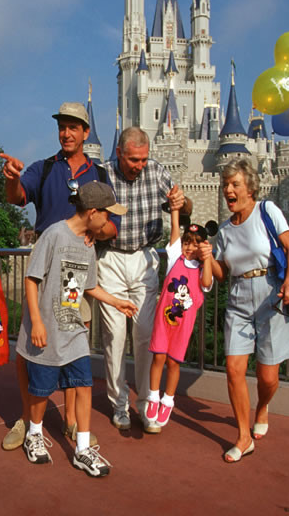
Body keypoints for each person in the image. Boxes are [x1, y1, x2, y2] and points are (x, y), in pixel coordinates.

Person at [0, 102, 119, 450]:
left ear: (85, 133)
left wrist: (98, 232)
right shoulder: (44, 169)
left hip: (77, 272)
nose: (66, 133)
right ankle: (27, 419)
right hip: (45, 262)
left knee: (73, 343)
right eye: (62, 127)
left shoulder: (99, 174)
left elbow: (113, 224)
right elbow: (18, 197)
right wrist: (12, 179)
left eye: (73, 127)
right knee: (29, 348)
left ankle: (69, 420)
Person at [16, 181, 136, 477]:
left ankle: (82, 449)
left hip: (73, 329)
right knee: (41, 391)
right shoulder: (54, 235)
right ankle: (34, 434)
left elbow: (89, 286)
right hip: (47, 331)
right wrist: (37, 321)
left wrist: (116, 301)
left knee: (83, 385)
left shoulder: (88, 244)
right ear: (93, 212)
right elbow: (32, 279)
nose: (109, 222)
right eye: (107, 215)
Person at [208, 158, 289, 463]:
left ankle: (262, 406)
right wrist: (208, 257)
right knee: (234, 370)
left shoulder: (267, 211)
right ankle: (243, 436)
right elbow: (223, 275)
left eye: (234, 184)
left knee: (268, 377)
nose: (228, 190)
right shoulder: (224, 230)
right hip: (237, 299)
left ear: (250, 188)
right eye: (225, 185)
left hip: (270, 296)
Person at [98, 126, 192, 434]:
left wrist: (181, 200)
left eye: (143, 159)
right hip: (110, 258)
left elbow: (184, 207)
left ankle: (145, 405)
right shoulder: (103, 173)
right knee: (114, 338)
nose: (139, 165)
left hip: (145, 258)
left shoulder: (156, 171)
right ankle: (118, 403)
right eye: (134, 160)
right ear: (120, 153)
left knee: (144, 336)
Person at [145, 204, 214, 430]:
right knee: (158, 358)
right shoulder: (175, 257)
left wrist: (208, 258)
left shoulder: (203, 270)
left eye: (195, 244)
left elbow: (205, 284)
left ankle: (168, 400)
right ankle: (153, 396)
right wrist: (175, 208)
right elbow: (175, 227)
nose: (188, 247)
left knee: (174, 363)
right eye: (186, 242)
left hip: (182, 328)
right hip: (164, 321)